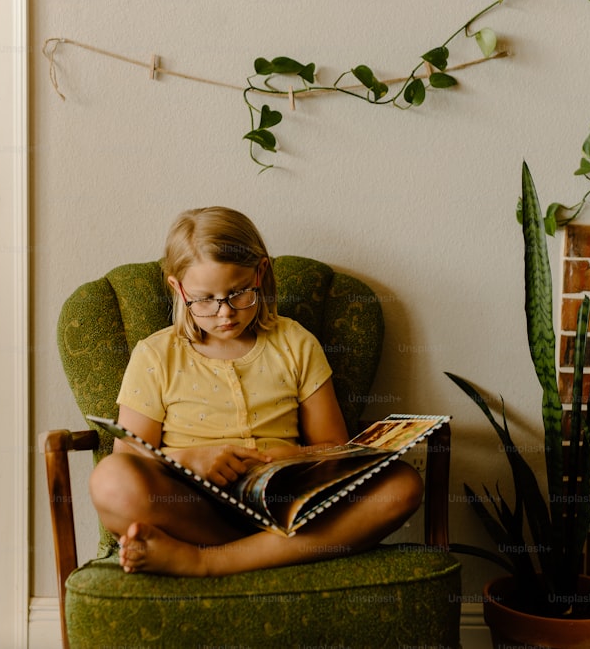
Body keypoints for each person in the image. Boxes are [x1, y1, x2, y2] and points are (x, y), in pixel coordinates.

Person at [89, 206, 423, 576]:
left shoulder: (296, 342)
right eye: (204, 299)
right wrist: (190, 460)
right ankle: (260, 551)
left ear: (260, 274)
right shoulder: (156, 354)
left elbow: (334, 448)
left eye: (238, 293)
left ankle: (205, 561)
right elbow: (130, 454)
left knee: (402, 484)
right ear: (177, 288)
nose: (224, 313)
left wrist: (286, 456)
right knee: (110, 479)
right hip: (193, 510)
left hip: (288, 505)